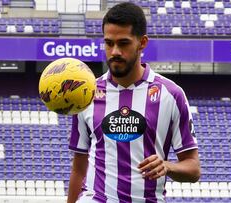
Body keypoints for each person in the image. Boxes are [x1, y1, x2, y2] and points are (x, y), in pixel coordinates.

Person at [67, 2, 201, 203]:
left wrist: (168, 166)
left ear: (142, 42)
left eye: (123, 43)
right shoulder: (87, 94)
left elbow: (193, 168)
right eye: (109, 43)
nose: (114, 52)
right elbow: (79, 168)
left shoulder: (171, 94)